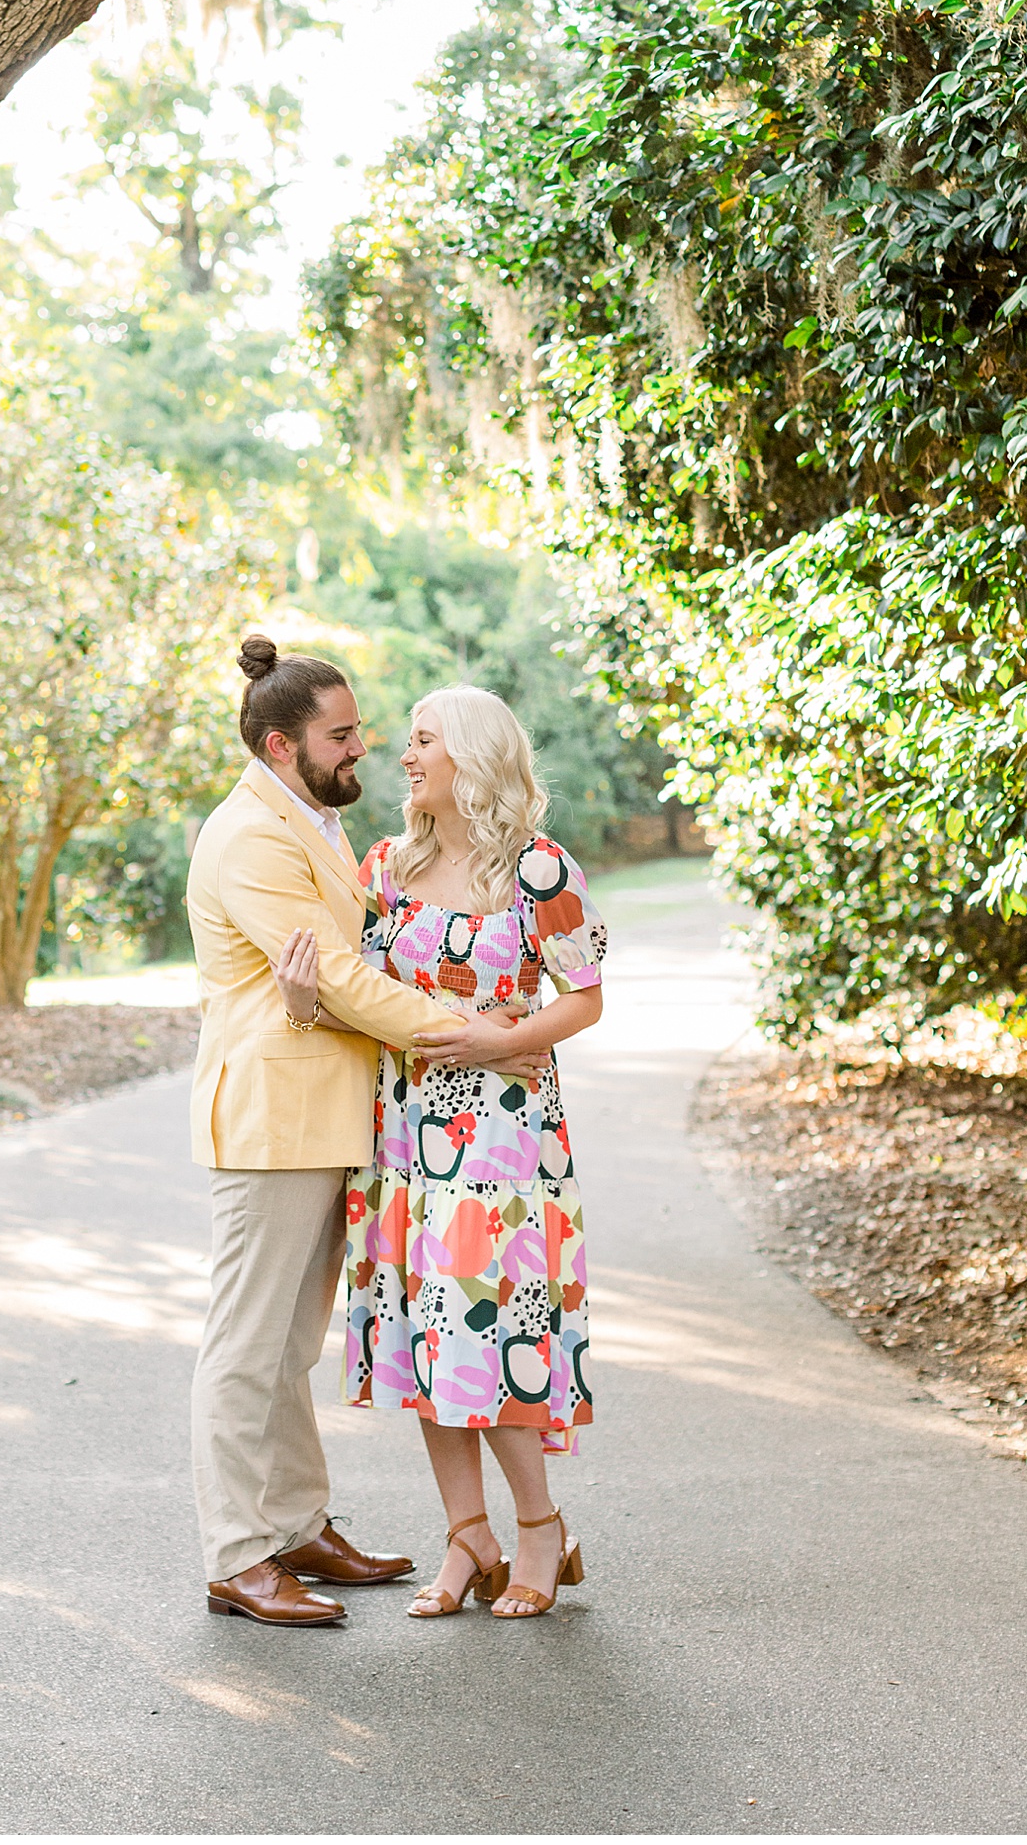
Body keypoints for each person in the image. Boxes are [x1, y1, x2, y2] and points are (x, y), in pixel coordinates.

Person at [184, 637, 541, 1628]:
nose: (363, 750)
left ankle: (295, 1521)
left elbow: (347, 956)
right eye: (341, 735)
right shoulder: (252, 835)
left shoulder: (310, 820)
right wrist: (466, 1033)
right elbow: (337, 978)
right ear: (281, 744)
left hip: (332, 1113)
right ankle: (237, 1553)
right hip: (274, 1119)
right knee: (246, 1344)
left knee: (292, 1342)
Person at [271, 684, 605, 1621]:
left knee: (488, 1340)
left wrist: (501, 1040)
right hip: (404, 1143)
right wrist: (303, 1002)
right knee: (427, 1343)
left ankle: (540, 1530)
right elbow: (344, 992)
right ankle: (471, 1539)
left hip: (504, 1148)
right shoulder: (383, 867)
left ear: (470, 755)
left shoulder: (543, 871)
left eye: (422, 741)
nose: (402, 756)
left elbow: (586, 997)